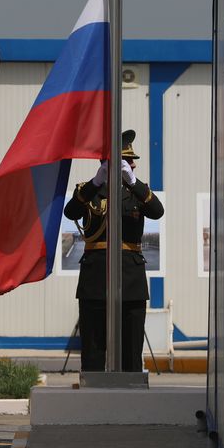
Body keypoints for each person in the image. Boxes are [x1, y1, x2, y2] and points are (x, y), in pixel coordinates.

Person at [63, 129, 164, 372]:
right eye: (127, 162)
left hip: (131, 279)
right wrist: (97, 182)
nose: (131, 166)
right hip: (96, 278)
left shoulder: (138, 192)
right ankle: (93, 399)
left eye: (130, 163)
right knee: (94, 349)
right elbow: (71, 212)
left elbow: (157, 211)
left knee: (131, 348)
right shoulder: (88, 191)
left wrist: (132, 182)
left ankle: (131, 396)